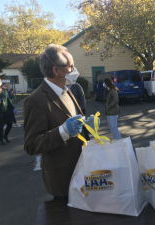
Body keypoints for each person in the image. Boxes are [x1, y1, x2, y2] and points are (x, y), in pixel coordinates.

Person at [23, 44, 94, 198]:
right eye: (71, 66)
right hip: (63, 179)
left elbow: (74, 122)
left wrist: (88, 126)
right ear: (56, 70)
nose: (74, 70)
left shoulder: (67, 90)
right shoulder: (35, 100)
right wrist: (63, 132)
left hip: (83, 170)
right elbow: (31, 145)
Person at [0, 77, 15, 145]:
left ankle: (5, 136)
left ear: (1, 82)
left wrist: (13, 108)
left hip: (5, 110)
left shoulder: (4, 91)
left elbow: (8, 100)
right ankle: (1, 140)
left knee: (10, 124)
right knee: (0, 126)